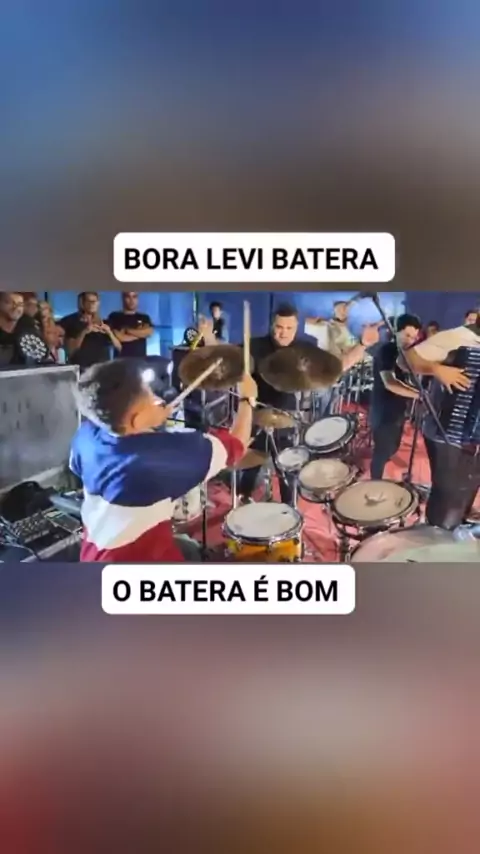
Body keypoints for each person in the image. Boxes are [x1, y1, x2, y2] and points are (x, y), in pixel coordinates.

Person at [69, 358, 256, 562]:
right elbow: (237, 446)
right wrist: (247, 400)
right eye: (149, 396)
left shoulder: (86, 435)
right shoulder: (157, 460)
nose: (158, 399)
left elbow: (122, 440)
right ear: (136, 420)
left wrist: (150, 419)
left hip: (93, 552)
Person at [231, 304, 381, 504]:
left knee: (287, 470)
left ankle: (288, 507)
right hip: (255, 417)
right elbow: (227, 362)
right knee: (250, 465)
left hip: (287, 419)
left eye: (289, 328)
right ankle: (244, 498)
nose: (283, 333)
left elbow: (338, 367)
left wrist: (362, 344)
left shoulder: (304, 349)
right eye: (279, 327)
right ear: (271, 325)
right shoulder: (254, 346)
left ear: (297, 327)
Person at [404, 316, 480, 529]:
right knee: (446, 501)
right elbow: (406, 359)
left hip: (475, 441)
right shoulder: (457, 337)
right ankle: (435, 537)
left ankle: (453, 532)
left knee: (466, 491)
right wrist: (437, 369)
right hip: (449, 433)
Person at [369, 313, 422, 479]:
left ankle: (379, 479)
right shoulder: (388, 350)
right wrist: (419, 395)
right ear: (396, 331)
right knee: (382, 452)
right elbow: (390, 382)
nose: (410, 340)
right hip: (384, 411)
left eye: (413, 337)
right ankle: (375, 482)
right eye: (407, 335)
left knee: (392, 448)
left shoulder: (404, 353)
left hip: (397, 410)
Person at [59, 292, 121, 369]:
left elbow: (119, 348)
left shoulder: (105, 323)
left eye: (95, 301)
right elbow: (71, 350)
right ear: (82, 303)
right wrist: (84, 332)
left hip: (102, 369)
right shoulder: (71, 321)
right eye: (89, 301)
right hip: (82, 368)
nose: (93, 304)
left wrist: (110, 333)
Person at [107, 292, 154, 358]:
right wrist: (140, 335)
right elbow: (120, 337)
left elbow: (149, 332)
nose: (131, 300)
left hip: (140, 361)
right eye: (128, 297)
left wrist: (127, 330)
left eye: (134, 297)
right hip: (121, 360)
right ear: (123, 298)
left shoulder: (144, 317)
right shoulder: (114, 316)